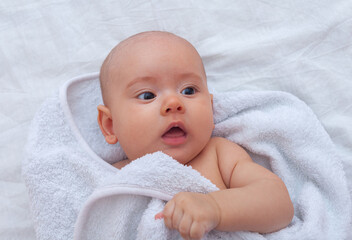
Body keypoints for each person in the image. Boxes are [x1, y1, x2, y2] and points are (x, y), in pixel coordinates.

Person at [97, 31, 294, 239]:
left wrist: (215, 207)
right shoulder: (109, 178)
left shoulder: (219, 155)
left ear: (210, 107)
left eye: (189, 91)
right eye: (148, 95)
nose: (174, 103)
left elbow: (279, 204)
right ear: (110, 126)